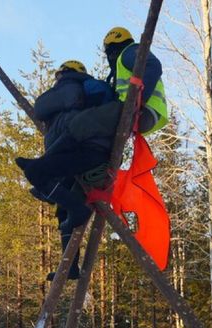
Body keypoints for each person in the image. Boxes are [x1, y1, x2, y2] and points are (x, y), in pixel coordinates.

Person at [17, 27, 168, 232]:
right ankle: (51, 179)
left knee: (80, 124)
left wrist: (138, 98)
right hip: (140, 112)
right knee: (82, 131)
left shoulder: (129, 52)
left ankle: (45, 167)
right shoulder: (120, 64)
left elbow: (153, 66)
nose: (108, 57)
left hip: (139, 109)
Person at [16, 60, 114, 281]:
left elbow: (41, 108)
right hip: (82, 150)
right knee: (63, 208)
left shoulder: (73, 85)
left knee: (36, 173)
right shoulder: (89, 91)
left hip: (81, 149)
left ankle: (76, 208)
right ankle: (70, 267)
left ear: (66, 72)